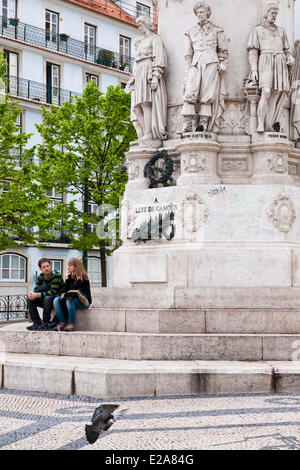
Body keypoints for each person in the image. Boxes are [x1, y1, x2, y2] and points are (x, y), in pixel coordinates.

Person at [181, 1, 229, 133]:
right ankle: (187, 122)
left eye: (202, 12)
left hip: (211, 62)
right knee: (190, 91)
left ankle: (203, 121)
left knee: (207, 93)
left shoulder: (217, 30)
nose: (200, 14)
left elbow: (223, 51)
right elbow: (188, 54)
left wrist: (223, 63)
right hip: (195, 63)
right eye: (198, 12)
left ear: (208, 13)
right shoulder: (190, 32)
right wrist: (187, 71)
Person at [247, 3, 295, 133]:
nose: (274, 16)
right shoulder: (257, 30)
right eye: (272, 13)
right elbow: (253, 51)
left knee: (277, 94)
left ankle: (272, 123)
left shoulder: (281, 31)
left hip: (280, 61)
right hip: (265, 60)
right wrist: (254, 70)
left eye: (276, 14)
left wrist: (289, 57)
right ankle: (261, 123)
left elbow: (286, 50)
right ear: (266, 13)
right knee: (266, 91)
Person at [125, 15, 168, 141]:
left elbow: (159, 58)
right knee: (136, 107)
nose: (138, 28)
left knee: (145, 102)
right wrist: (131, 80)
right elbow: (136, 62)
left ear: (146, 24)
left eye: (140, 25)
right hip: (139, 72)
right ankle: (145, 133)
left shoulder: (155, 39)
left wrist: (156, 75)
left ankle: (149, 133)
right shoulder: (141, 42)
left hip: (148, 70)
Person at [53, 258, 92, 332]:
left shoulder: (83, 277)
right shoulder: (70, 276)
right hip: (73, 299)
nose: (68, 268)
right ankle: (62, 323)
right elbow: (64, 290)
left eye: (70, 266)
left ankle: (71, 323)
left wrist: (68, 279)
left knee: (69, 300)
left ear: (76, 266)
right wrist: (67, 279)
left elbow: (74, 289)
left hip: (84, 301)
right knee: (56, 300)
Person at [26, 258, 64, 331]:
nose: (46, 268)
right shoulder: (41, 276)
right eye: (44, 267)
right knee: (29, 299)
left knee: (47, 297)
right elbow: (36, 288)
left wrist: (37, 295)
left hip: (57, 300)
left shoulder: (56, 275)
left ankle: (46, 322)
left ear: (50, 266)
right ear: (40, 268)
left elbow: (53, 292)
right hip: (46, 299)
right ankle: (37, 322)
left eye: (48, 266)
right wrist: (32, 294)